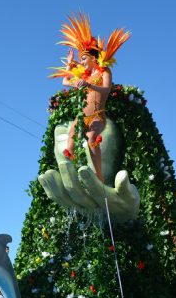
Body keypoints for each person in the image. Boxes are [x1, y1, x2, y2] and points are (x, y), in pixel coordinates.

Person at [50, 12, 130, 182]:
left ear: (94, 58)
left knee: (91, 138)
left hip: (98, 114)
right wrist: (70, 64)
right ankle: (70, 170)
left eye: (84, 58)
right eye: (81, 58)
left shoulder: (104, 71)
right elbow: (65, 81)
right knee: (71, 135)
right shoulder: (84, 77)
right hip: (83, 115)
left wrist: (89, 85)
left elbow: (106, 89)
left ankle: (98, 176)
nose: (82, 61)